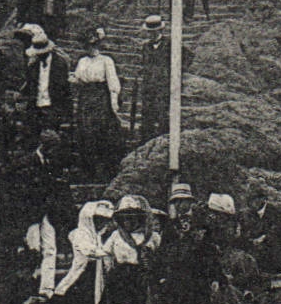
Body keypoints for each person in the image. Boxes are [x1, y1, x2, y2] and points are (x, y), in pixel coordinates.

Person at [98, 194, 159, 304]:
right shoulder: (116, 237)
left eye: (132, 217)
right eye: (124, 218)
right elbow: (105, 255)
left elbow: (160, 257)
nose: (128, 221)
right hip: (120, 281)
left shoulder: (152, 236)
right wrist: (110, 271)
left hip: (142, 280)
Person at [53, 200, 117, 304]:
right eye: (97, 219)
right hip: (82, 279)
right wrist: (105, 252)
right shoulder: (80, 233)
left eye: (103, 220)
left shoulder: (98, 236)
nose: (100, 223)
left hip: (95, 279)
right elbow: (86, 250)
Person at [71, 27, 124, 182]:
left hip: (100, 97)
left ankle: (101, 169)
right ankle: (87, 168)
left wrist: (114, 103)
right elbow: (79, 79)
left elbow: (113, 82)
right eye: (87, 46)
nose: (90, 49)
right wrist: (75, 79)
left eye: (93, 46)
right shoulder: (82, 61)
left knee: (99, 129)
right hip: (85, 97)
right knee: (84, 130)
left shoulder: (106, 61)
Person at [15, 24, 72, 135]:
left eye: (42, 54)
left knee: (50, 136)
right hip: (36, 106)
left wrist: (64, 113)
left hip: (52, 106)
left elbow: (64, 89)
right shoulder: (34, 65)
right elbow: (31, 84)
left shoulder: (59, 64)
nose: (40, 56)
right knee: (34, 134)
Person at [136, 15, 183, 142]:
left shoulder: (171, 44)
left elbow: (187, 58)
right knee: (147, 115)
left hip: (164, 85)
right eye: (149, 32)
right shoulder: (146, 46)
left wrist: (175, 73)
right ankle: (146, 143)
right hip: (148, 86)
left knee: (163, 114)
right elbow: (145, 63)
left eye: (154, 31)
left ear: (160, 30)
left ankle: (163, 143)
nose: (151, 34)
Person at [241, 186, 281, 275]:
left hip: (271, 242)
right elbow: (245, 229)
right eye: (250, 200)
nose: (252, 204)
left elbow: (280, 227)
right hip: (254, 242)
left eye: (255, 200)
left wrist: (264, 237)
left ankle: (277, 271)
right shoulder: (248, 213)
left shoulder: (274, 211)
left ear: (263, 199)